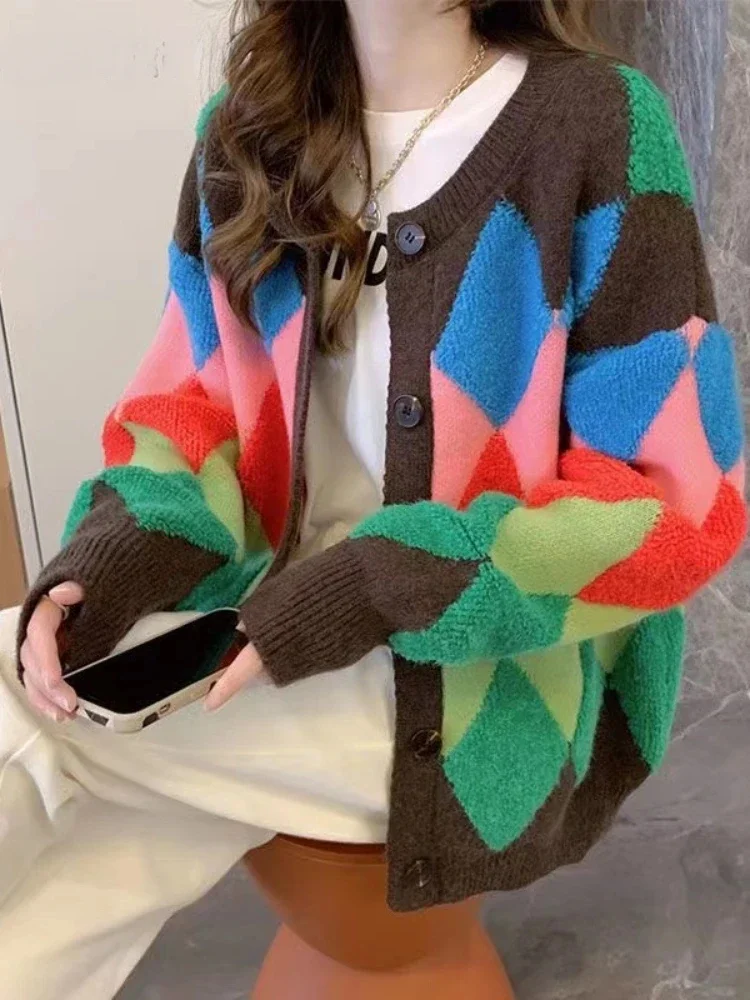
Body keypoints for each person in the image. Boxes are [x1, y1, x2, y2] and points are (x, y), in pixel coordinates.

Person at [0, 0, 745, 996]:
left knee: (32, 735)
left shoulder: (596, 125)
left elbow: (676, 503)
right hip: (264, 628)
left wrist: (376, 584)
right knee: (54, 840)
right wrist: (110, 563)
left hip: (478, 680)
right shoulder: (246, 132)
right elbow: (193, 413)